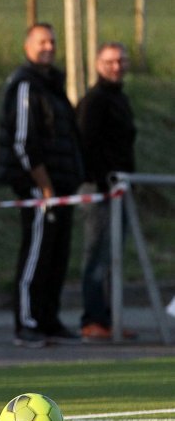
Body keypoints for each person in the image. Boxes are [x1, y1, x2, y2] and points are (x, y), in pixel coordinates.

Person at [0, 23, 83, 348]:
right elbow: (23, 142)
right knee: (35, 253)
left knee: (56, 254)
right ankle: (28, 322)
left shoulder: (53, 84)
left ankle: (49, 319)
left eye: (52, 41)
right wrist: (43, 185)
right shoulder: (24, 84)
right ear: (27, 46)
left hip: (62, 186)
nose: (48, 47)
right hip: (37, 188)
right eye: (42, 41)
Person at [78, 42, 137, 342]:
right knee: (98, 256)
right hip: (101, 191)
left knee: (114, 258)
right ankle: (93, 319)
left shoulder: (120, 98)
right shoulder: (95, 100)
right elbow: (86, 145)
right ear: (98, 64)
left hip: (120, 190)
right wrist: (102, 183)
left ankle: (112, 318)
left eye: (121, 61)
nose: (116, 66)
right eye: (110, 61)